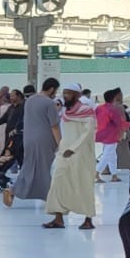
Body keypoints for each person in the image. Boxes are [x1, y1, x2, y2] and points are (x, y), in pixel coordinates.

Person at [44, 84, 97, 230]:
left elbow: (88, 133)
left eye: (68, 93)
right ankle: (58, 218)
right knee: (57, 181)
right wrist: (61, 147)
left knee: (84, 185)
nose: (65, 96)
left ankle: (88, 219)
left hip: (82, 154)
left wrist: (73, 149)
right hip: (64, 153)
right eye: (64, 93)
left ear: (77, 95)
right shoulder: (65, 112)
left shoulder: (86, 111)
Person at [6, 78, 61, 207]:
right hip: (44, 140)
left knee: (29, 167)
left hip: (29, 139)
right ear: (52, 88)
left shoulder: (30, 100)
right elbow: (54, 126)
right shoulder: (49, 103)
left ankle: (13, 189)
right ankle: (50, 197)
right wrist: (60, 142)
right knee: (43, 168)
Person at [94, 89, 129, 183]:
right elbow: (118, 123)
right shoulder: (113, 109)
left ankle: (114, 175)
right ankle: (96, 173)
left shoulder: (99, 108)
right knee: (107, 154)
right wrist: (122, 133)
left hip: (103, 133)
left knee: (112, 155)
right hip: (112, 135)